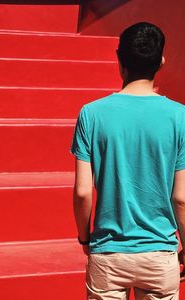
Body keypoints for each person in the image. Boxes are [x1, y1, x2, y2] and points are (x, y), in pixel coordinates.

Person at [70, 22, 185, 300]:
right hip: (160, 253)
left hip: (108, 253)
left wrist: (85, 238)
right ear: (161, 61)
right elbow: (180, 198)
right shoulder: (180, 116)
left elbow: (83, 192)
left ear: (119, 60)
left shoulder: (91, 114)